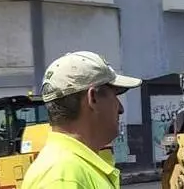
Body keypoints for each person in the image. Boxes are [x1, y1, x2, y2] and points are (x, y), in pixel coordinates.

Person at [21, 51, 142, 189]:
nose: (120, 108)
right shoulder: (63, 176)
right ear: (93, 98)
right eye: (114, 95)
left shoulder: (71, 168)